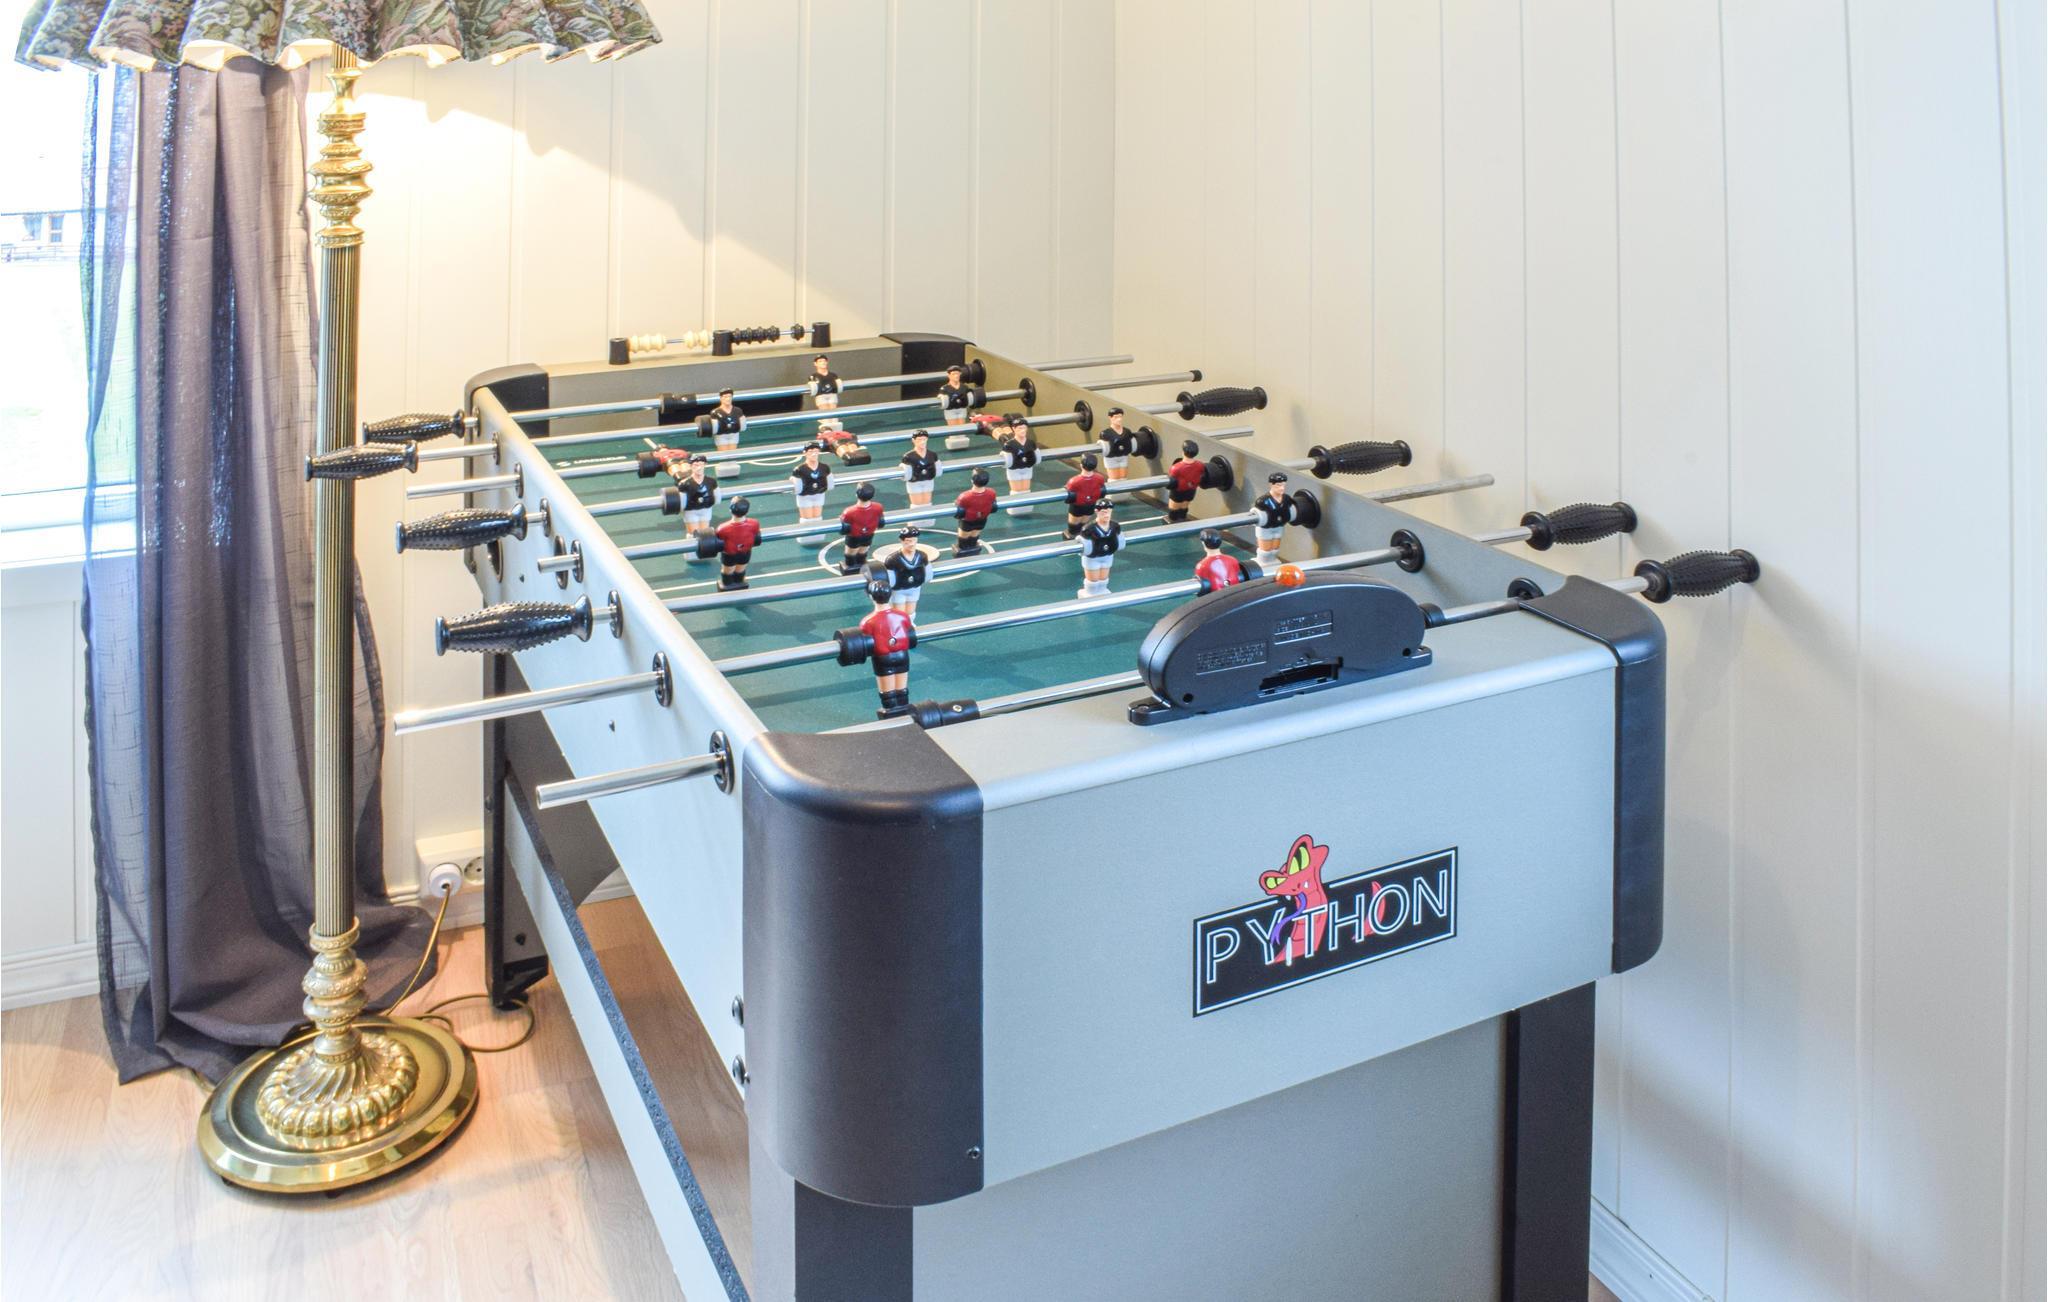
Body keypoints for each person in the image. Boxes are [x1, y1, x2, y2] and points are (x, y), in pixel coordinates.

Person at [854, 578, 917, 719]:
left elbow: (866, 641)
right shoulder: (902, 616)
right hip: (902, 655)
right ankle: (903, 711)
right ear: (890, 595)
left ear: (871, 597)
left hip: (883, 658)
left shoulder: (867, 622)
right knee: (901, 688)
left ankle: (890, 714)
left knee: (888, 692)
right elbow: (908, 630)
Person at [1076, 497, 1125, 598]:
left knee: (1103, 579)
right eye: (1103, 512)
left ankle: (1101, 592)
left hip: (1107, 556)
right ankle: (1091, 595)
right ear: (1097, 512)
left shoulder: (1115, 526)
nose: (1107, 515)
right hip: (1093, 558)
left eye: (1109, 512)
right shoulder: (1089, 529)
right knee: (1093, 581)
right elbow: (1082, 541)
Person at [875, 524, 930, 611]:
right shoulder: (893, 559)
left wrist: (927, 577)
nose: (912, 543)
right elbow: (890, 578)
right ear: (901, 541)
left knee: (911, 612)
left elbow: (928, 572)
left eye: (914, 540)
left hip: (914, 588)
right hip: (899, 590)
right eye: (908, 541)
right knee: (899, 612)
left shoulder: (922, 556)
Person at [1250, 471, 1299, 570]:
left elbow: (1295, 506)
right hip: (1266, 528)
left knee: (1275, 549)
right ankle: (1263, 562)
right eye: (1278, 485)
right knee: (1266, 550)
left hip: (1279, 527)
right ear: (1271, 485)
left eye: (1283, 485)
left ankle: (1271, 562)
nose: (1282, 488)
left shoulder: (1286, 499)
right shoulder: (1263, 501)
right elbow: (1255, 513)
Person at [837, 482, 886, 575]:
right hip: (869, 534)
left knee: (850, 554)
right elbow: (881, 522)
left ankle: (851, 567)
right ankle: (861, 564)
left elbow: (844, 529)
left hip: (854, 536)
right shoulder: (878, 507)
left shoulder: (849, 511)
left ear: (857, 494)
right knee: (863, 551)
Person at [673, 455, 720, 550]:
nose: (699, 468)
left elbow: (717, 496)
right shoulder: (684, 483)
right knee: (692, 533)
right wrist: (681, 509)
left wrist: (716, 501)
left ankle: (703, 549)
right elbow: (682, 500)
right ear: (690, 466)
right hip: (691, 511)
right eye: (696, 465)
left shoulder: (711, 481)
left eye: (701, 465)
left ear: (705, 465)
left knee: (704, 533)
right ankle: (691, 551)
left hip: (705, 510)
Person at [713, 498, 761, 590]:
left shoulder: (722, 528)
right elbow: (756, 533)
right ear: (747, 511)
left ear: (730, 509)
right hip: (745, 552)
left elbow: (719, 539)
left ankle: (728, 584)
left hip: (729, 554)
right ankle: (739, 582)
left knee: (728, 572)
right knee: (740, 570)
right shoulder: (754, 523)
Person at [952, 468, 999, 557]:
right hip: (982, 519)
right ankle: (972, 547)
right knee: (975, 534)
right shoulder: (992, 493)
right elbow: (993, 505)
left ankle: (963, 550)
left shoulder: (964, 496)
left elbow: (959, 512)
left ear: (972, 481)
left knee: (963, 537)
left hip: (967, 521)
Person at [998, 414, 1039, 511]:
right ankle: (1015, 508)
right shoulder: (1009, 444)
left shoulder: (1031, 443)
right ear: (1014, 429)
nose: (1023, 430)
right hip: (1014, 470)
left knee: (1025, 490)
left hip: (1027, 468)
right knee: (1017, 490)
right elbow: (1005, 458)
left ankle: (1026, 507)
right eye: (1020, 428)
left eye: (1024, 428)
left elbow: (1036, 454)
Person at [1063, 452, 1108, 539]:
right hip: (1091, 504)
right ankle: (1081, 535)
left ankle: (1073, 537)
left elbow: (1068, 496)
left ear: (1081, 465)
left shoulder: (1074, 481)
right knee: (1083, 524)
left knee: (1073, 529)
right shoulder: (1100, 478)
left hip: (1077, 506)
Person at [789, 442, 833, 528]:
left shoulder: (824, 467)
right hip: (805, 496)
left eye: (816, 451)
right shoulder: (799, 469)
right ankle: (806, 533)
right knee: (807, 519)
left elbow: (829, 482)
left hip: (819, 494)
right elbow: (797, 485)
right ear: (805, 453)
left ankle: (818, 533)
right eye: (810, 451)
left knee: (817, 518)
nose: (814, 454)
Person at [1164, 440, 1208, 522]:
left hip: (1178, 492)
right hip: (1191, 491)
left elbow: (1170, 482)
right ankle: (1182, 519)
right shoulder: (1200, 465)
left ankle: (1172, 521)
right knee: (1184, 506)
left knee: (1173, 508)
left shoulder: (1176, 468)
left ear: (1183, 452)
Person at [901, 429, 942, 507]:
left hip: (928, 481)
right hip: (915, 482)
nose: (922, 442)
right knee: (917, 505)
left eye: (924, 439)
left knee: (927, 503)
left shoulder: (932, 454)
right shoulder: (908, 456)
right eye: (919, 439)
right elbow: (906, 471)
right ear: (913, 440)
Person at [704, 388, 746, 452]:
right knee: (723, 454)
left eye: (730, 396)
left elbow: (742, 424)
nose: (728, 399)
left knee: (733, 454)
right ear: (721, 398)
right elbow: (714, 427)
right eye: (725, 397)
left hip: (734, 434)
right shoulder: (715, 412)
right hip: (721, 435)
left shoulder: (738, 410)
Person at [1099, 408, 1134, 481]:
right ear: (1110, 418)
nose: (1119, 419)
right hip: (1111, 458)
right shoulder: (1105, 433)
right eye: (1116, 417)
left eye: (1120, 416)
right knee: (1114, 479)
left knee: (1123, 477)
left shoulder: (1127, 431)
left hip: (1123, 456)